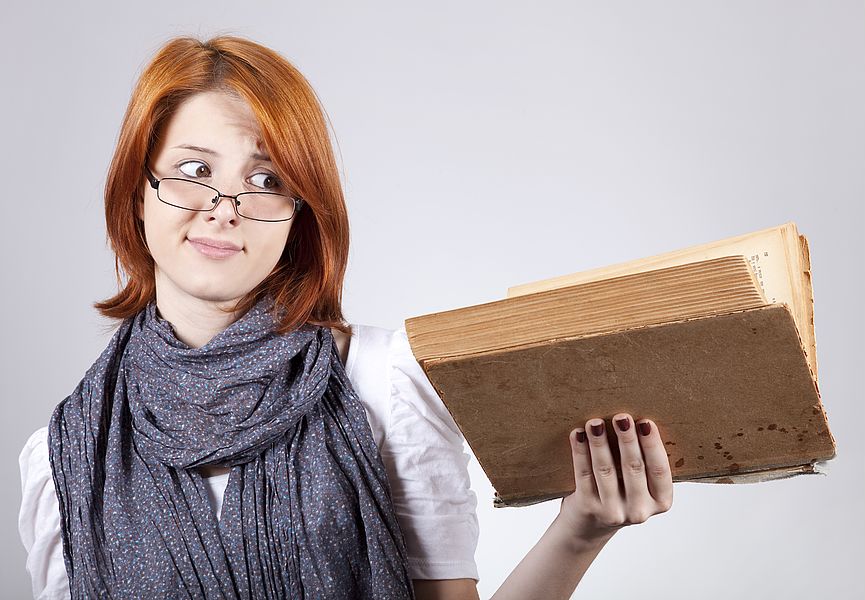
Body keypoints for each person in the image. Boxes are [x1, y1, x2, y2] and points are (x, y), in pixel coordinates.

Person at [17, 35, 673, 599]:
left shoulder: (383, 383)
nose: (225, 206)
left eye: (267, 180)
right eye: (194, 170)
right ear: (138, 192)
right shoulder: (65, 454)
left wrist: (580, 531)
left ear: (299, 213)